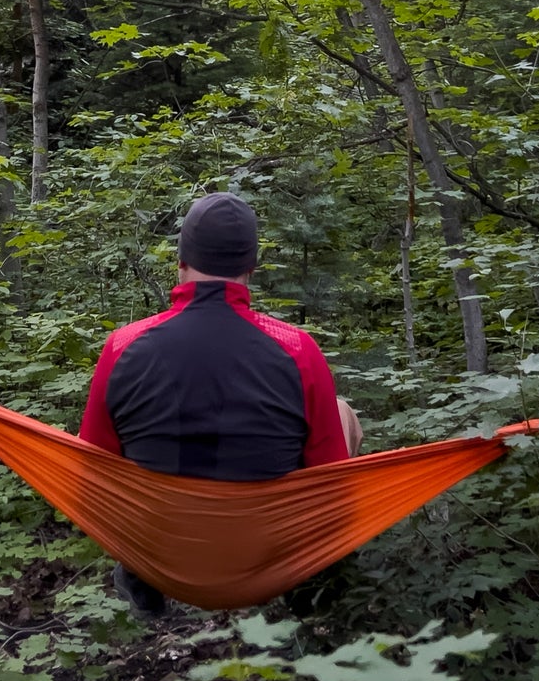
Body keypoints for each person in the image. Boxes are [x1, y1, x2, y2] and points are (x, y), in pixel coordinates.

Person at [79, 191, 362, 615]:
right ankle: (312, 587)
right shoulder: (298, 350)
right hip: (267, 559)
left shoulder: (123, 346)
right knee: (342, 413)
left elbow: (92, 470)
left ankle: (138, 576)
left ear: (181, 261)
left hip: (160, 558)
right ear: (251, 268)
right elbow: (331, 483)